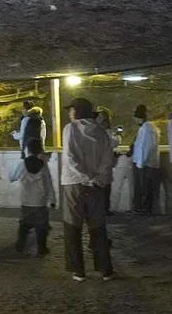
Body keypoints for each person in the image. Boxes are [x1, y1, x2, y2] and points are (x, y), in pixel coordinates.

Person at [60, 97, 116, 281]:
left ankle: (78, 270)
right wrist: (96, 177)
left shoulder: (70, 129)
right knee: (97, 226)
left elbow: (70, 157)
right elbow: (108, 159)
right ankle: (105, 270)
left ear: (77, 112)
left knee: (72, 225)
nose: (69, 114)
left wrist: (85, 176)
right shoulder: (101, 132)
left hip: (74, 182)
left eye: (71, 110)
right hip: (96, 185)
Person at [9, 136, 55, 256]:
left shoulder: (22, 164)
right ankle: (42, 248)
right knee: (41, 227)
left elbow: (12, 177)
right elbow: (49, 184)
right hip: (40, 201)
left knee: (24, 224)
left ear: (27, 149)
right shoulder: (43, 165)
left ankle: (20, 245)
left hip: (26, 201)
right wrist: (52, 200)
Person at [129, 105, 162, 214]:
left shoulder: (147, 128)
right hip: (145, 163)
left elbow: (145, 147)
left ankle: (145, 208)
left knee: (146, 187)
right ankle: (144, 208)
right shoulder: (147, 127)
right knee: (146, 187)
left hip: (146, 164)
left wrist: (140, 164)